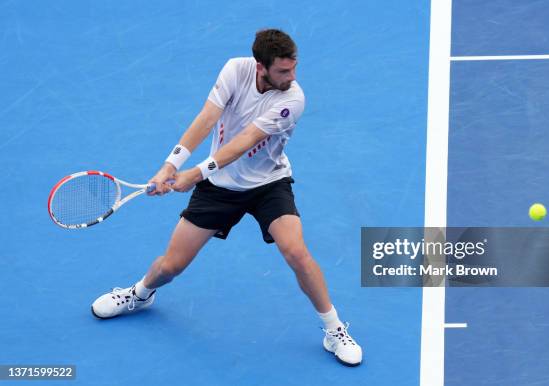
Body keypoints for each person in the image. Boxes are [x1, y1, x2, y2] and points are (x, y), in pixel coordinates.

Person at [91, 29, 362, 367]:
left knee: (296, 251)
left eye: (294, 69)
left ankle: (334, 329)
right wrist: (170, 165)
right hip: (220, 188)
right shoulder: (235, 69)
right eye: (283, 71)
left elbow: (246, 141)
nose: (292, 77)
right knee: (171, 265)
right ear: (260, 66)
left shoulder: (293, 99)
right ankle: (141, 293)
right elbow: (206, 119)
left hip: (269, 185)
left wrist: (192, 174)